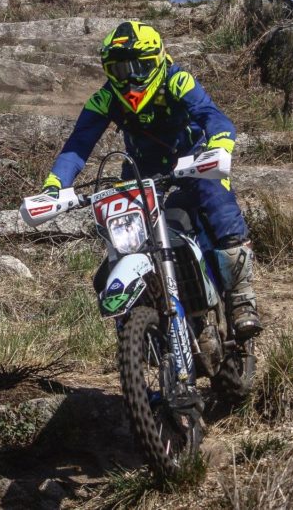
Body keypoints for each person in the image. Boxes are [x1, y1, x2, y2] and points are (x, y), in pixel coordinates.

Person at [39, 21, 262, 340]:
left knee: (219, 204)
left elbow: (213, 117)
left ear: (157, 60)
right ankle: (141, 321)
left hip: (191, 159)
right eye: (120, 69)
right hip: (141, 170)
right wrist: (54, 186)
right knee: (121, 245)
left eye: (139, 67)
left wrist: (217, 146)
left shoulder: (177, 80)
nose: (130, 78)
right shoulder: (105, 99)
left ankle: (241, 300)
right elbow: (78, 145)